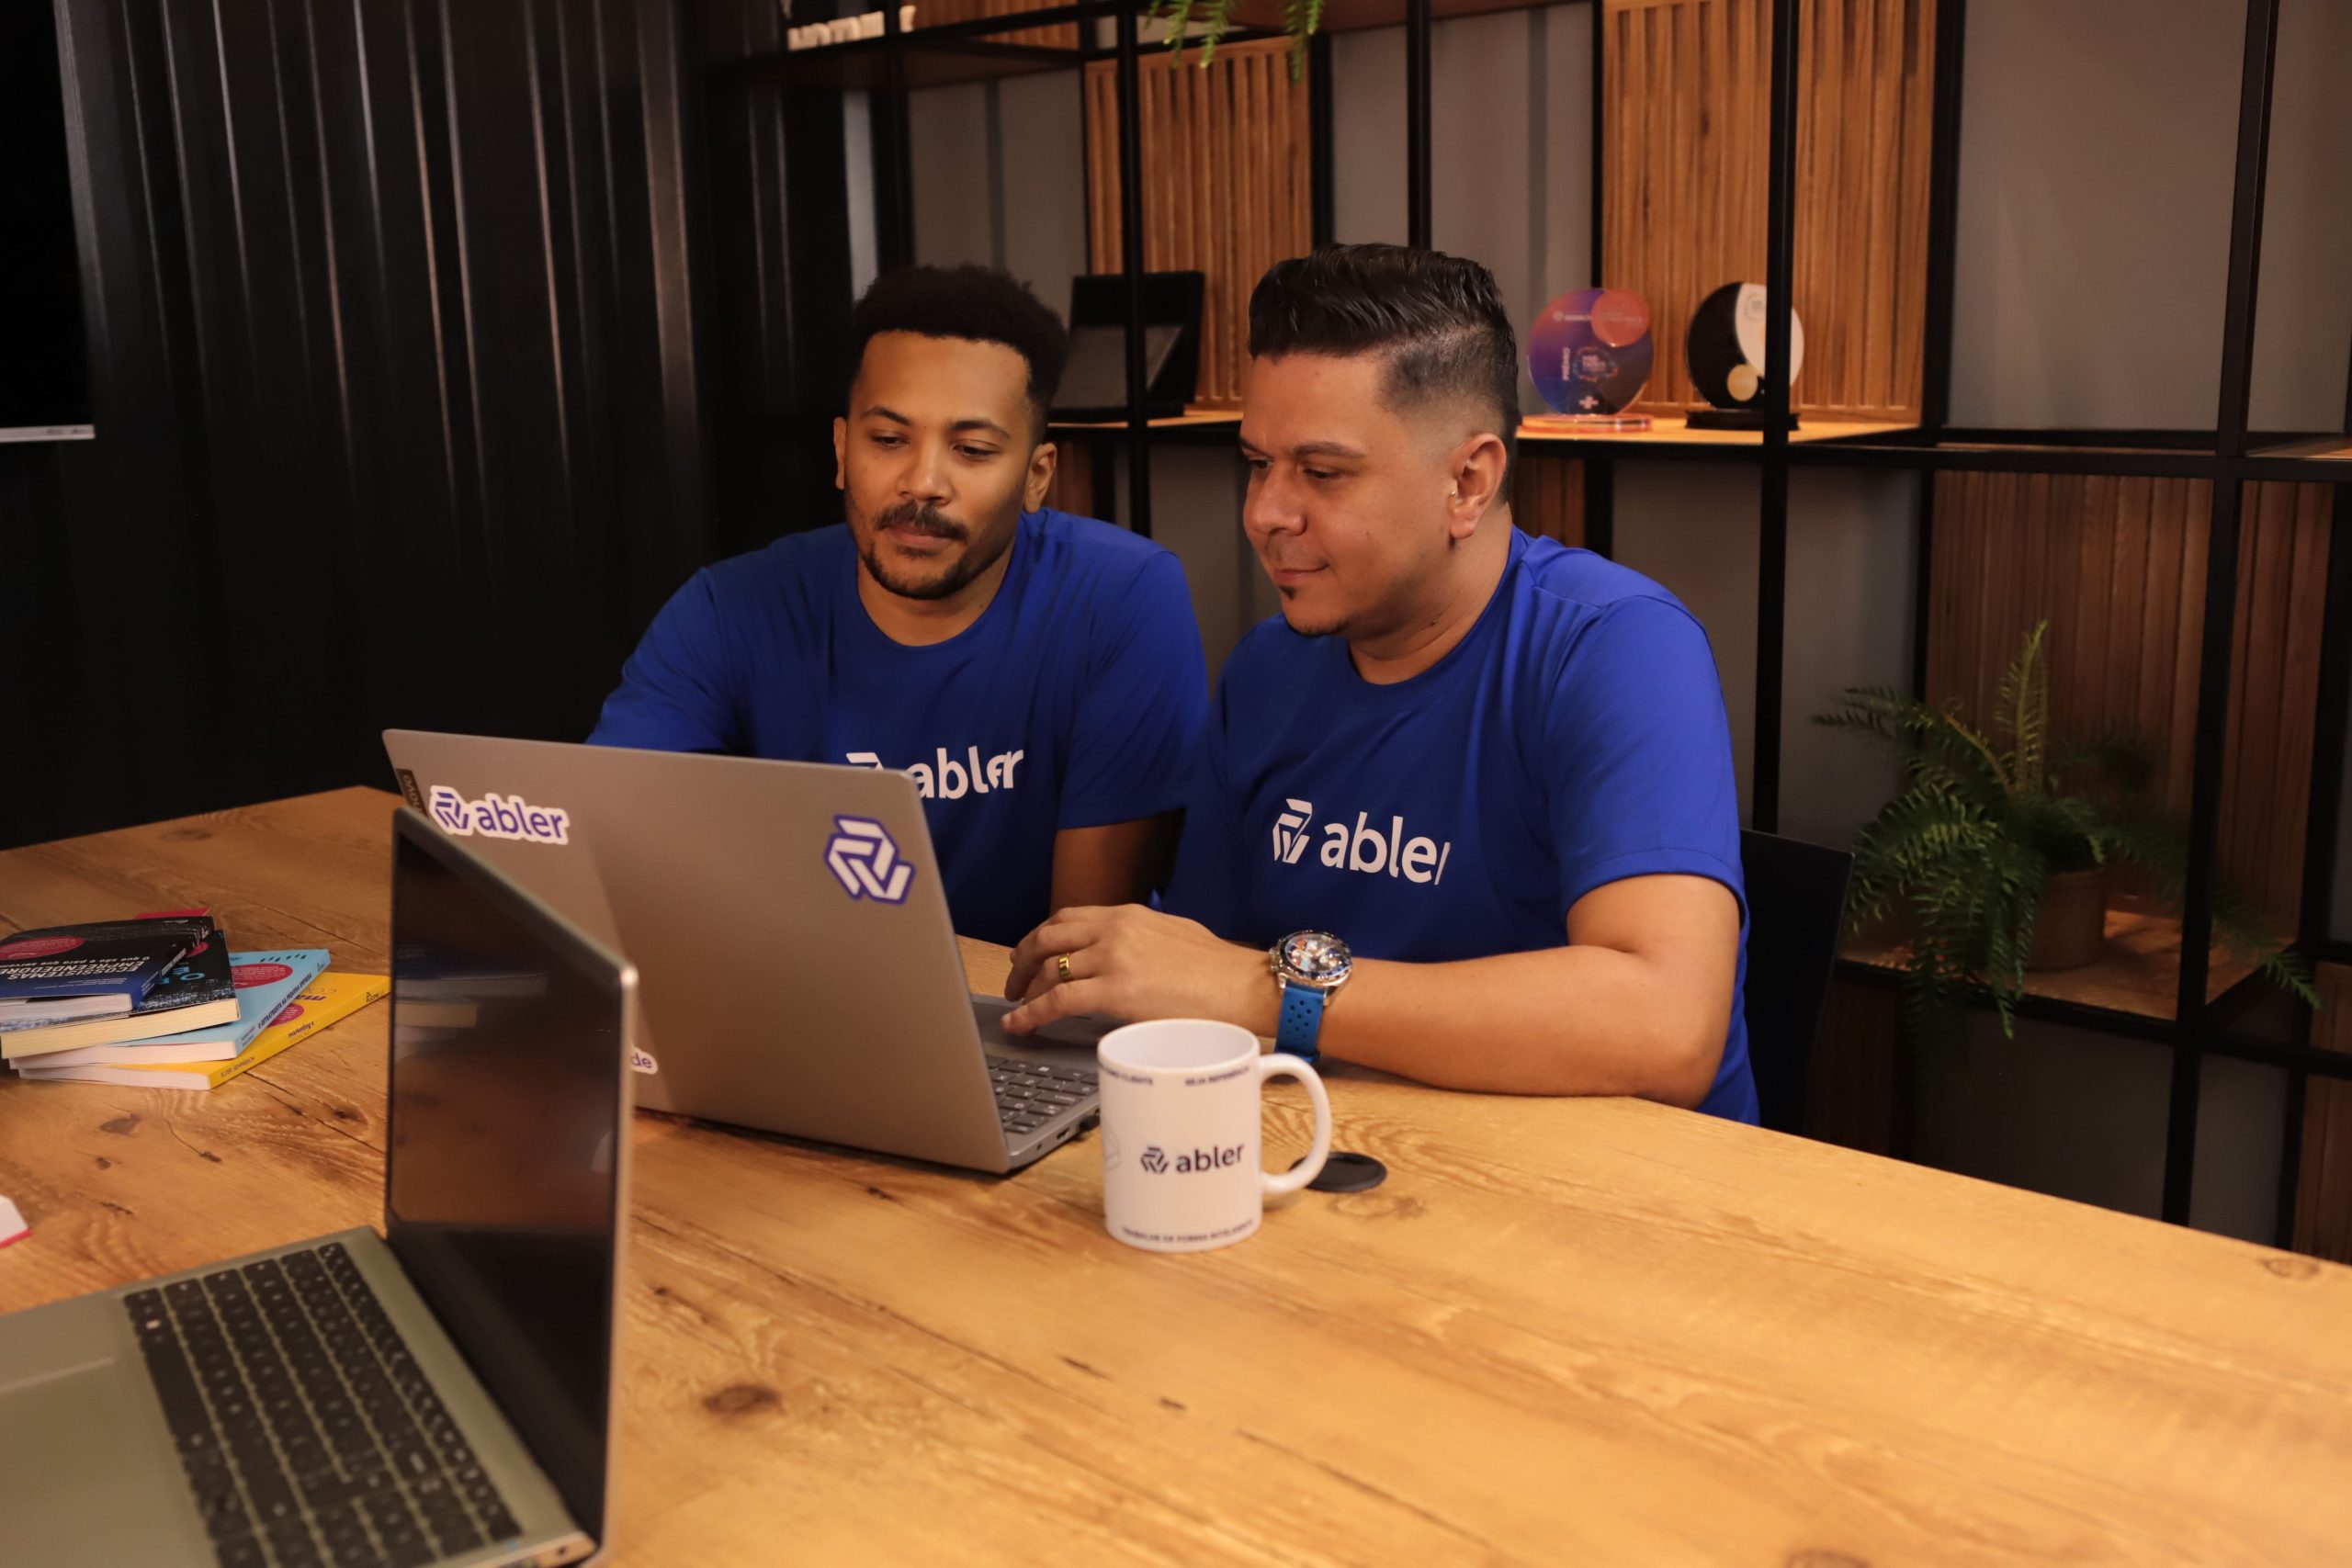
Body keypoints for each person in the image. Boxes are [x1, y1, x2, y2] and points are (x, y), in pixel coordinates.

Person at [1001, 244, 1754, 1120]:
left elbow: (1667, 1028)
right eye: (1257, 464)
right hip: (1342, 1162)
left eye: (1321, 474)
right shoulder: (1267, 671)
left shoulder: (1618, 648)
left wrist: (1271, 991)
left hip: (1617, 1208)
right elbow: (1201, 978)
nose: (1265, 514)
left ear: (1468, 482)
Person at [590, 265, 1207, 946]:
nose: (922, 483)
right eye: (887, 440)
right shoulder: (726, 610)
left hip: (1030, 1026)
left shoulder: (1121, 598)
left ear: (1038, 477)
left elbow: (1079, 955)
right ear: (840, 449)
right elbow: (607, 850)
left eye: (971, 450)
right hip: (807, 1005)